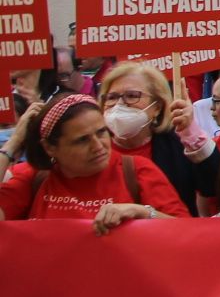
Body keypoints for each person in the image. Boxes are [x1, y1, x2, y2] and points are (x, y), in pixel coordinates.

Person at [0, 95, 189, 227]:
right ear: (50, 147)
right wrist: (13, 143)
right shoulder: (36, 177)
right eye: (82, 140)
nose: (98, 145)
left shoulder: (136, 169)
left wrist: (142, 212)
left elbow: (186, 231)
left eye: (101, 132)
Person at [94, 62, 219, 215]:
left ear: (157, 106)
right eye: (111, 97)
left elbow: (216, 186)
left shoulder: (176, 145)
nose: (120, 104)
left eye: (132, 96)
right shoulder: (93, 147)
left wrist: (191, 133)